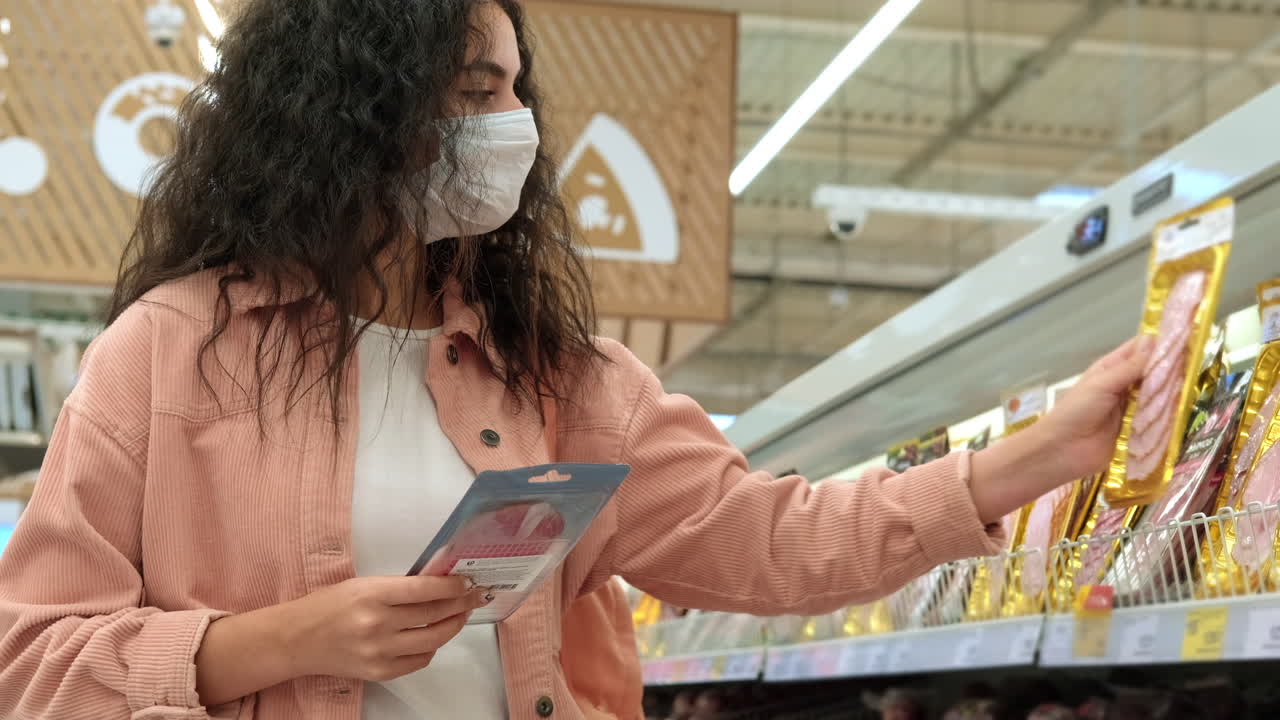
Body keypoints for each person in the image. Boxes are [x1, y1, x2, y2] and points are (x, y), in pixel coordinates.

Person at [0, 1, 1150, 719]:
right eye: (471, 93)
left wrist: (1034, 456)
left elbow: (767, 544)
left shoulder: (567, 380)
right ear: (346, 119)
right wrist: (269, 646)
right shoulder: (170, 354)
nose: (513, 124)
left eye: (513, 90)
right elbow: (31, 663)